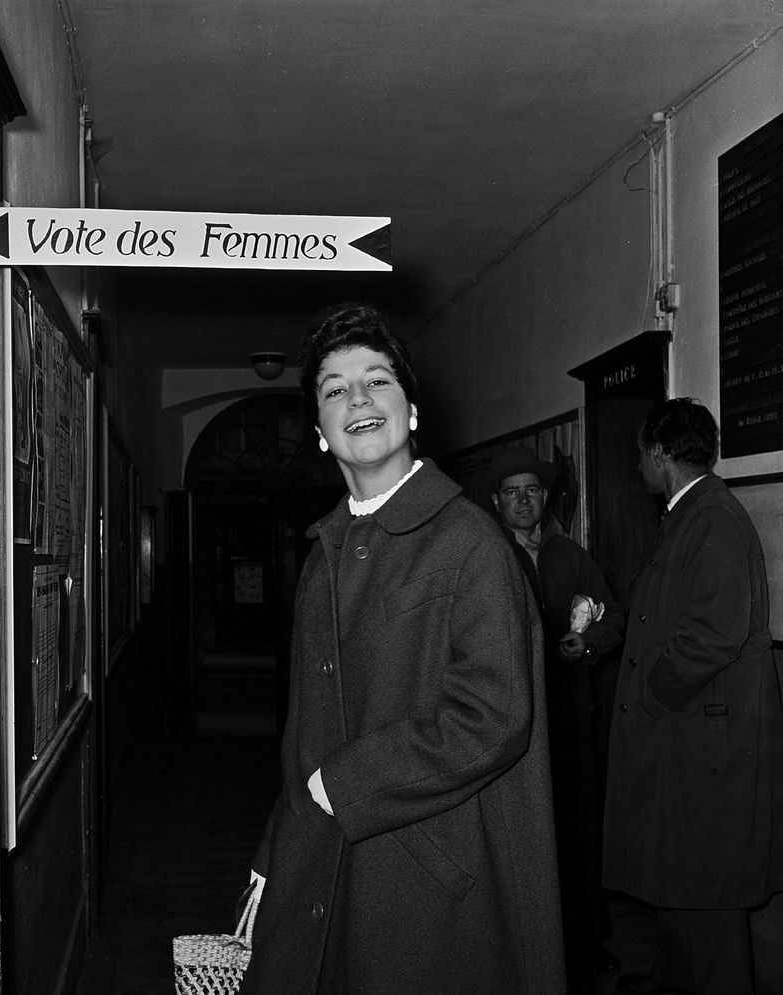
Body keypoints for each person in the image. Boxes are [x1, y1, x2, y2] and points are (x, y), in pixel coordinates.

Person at [239, 303, 565, 994]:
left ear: (411, 411)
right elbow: (306, 736)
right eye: (334, 389)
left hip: (430, 883)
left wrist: (342, 785)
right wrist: (276, 847)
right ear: (322, 433)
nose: (357, 397)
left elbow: (494, 717)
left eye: (377, 380)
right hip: (324, 854)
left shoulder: (469, 543)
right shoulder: (324, 552)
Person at [602, 398, 783, 995]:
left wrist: (652, 697)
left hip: (704, 760)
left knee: (707, 920)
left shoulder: (713, 519)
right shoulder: (689, 515)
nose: (637, 469)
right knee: (680, 908)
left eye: (640, 456)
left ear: (659, 454)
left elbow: (713, 632)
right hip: (687, 754)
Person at [483, 446, 625, 986]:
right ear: (497, 501)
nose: (524, 500)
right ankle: (520, 949)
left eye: (533, 490)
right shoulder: (486, 556)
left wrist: (585, 647)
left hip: (568, 718)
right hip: (509, 727)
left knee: (577, 833)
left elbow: (610, 617)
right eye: (513, 492)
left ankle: (585, 945)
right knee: (519, 839)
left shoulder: (571, 555)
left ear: (546, 498)